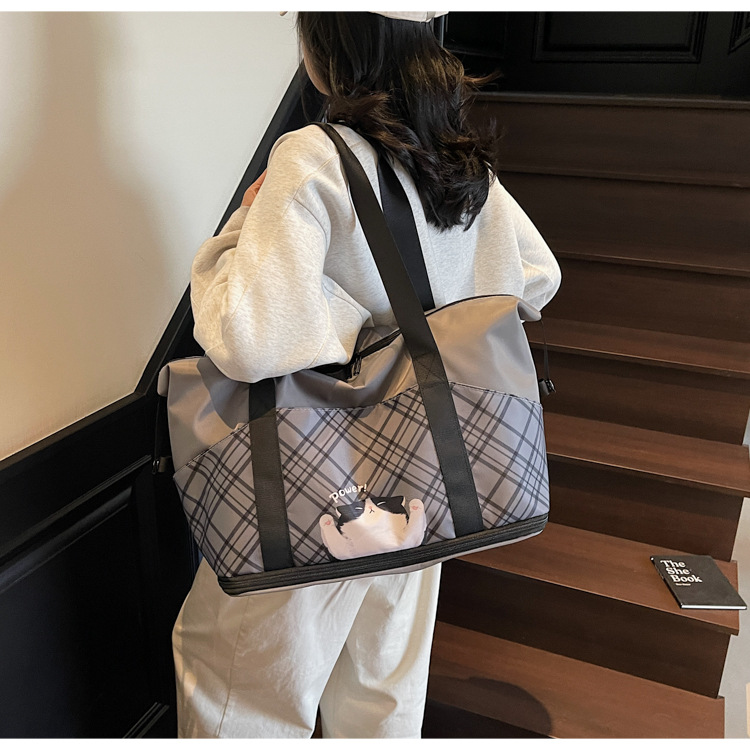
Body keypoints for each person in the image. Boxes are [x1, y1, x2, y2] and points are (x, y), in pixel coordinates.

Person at [171, 11, 562, 739]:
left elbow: (249, 339)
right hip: (423, 474)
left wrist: (237, 237)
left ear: (329, 44)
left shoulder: (311, 155)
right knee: (381, 692)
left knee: (239, 693)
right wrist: (423, 322)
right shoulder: (456, 159)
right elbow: (537, 278)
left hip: (315, 478)